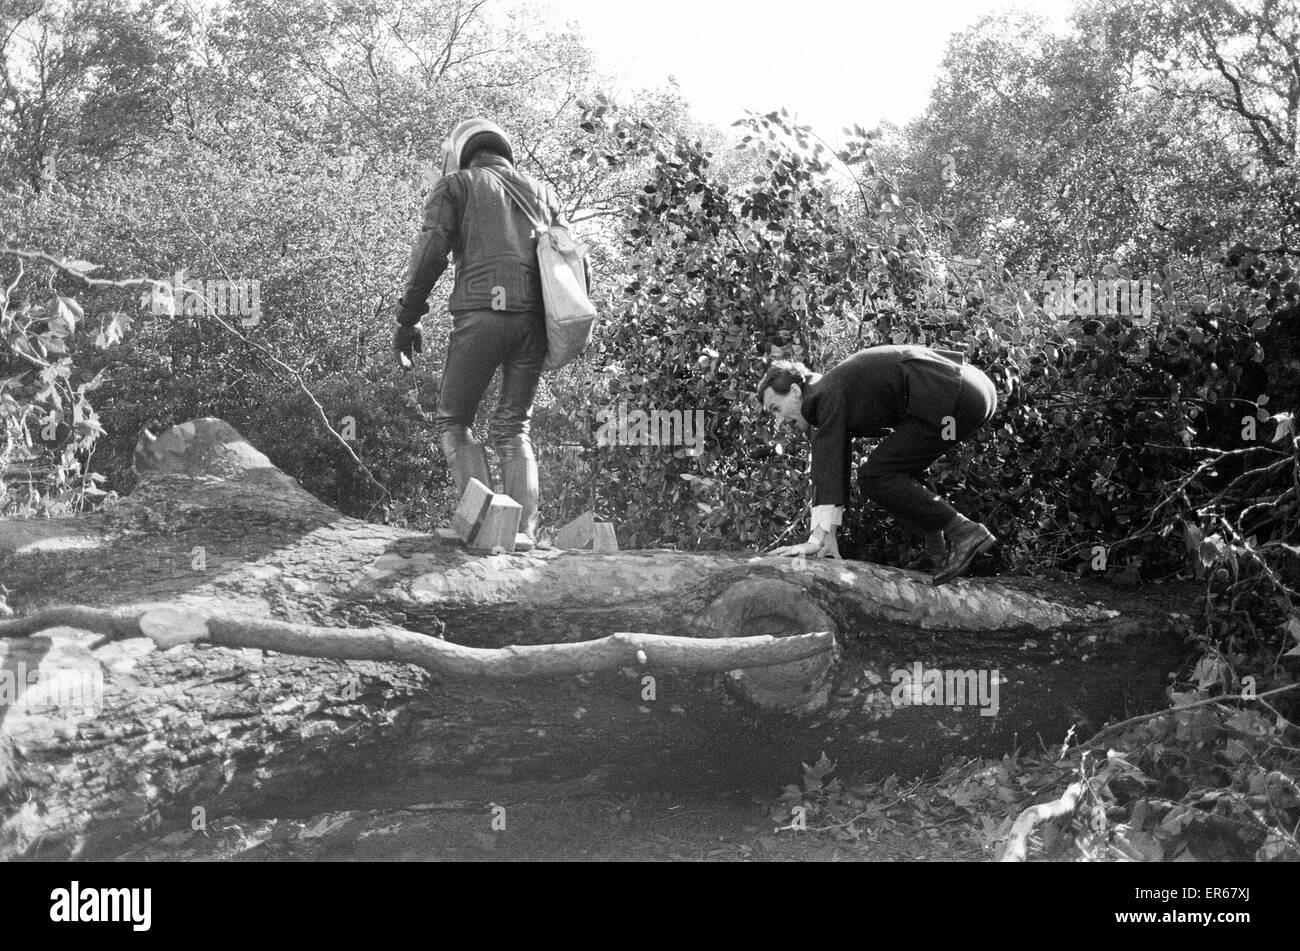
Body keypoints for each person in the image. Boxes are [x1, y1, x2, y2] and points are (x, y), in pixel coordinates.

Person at [392, 118, 565, 550]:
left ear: (461, 152)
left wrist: (408, 317)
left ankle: (484, 525)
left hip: (482, 312)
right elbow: (573, 261)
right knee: (513, 428)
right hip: (534, 321)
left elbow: (430, 251)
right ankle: (521, 534)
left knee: (454, 419)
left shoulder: (456, 185)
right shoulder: (544, 193)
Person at [758, 344, 999, 584]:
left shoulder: (820, 396)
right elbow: (832, 466)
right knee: (901, 469)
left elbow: (828, 467)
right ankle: (937, 553)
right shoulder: (826, 391)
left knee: (875, 476)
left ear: (794, 391)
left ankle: (966, 532)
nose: (779, 420)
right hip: (970, 393)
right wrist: (825, 537)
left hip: (956, 396)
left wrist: (817, 540)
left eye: (776, 409)